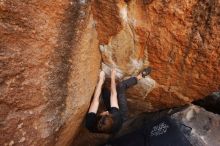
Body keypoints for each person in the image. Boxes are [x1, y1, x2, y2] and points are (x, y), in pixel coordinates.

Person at [85, 67, 152, 134]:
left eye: (105, 113)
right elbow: (113, 94)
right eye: (106, 113)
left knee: (104, 92)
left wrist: (101, 81)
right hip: (122, 115)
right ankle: (140, 76)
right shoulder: (116, 115)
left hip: (112, 122)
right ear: (109, 114)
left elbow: (95, 100)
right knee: (120, 86)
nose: (105, 112)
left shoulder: (89, 123)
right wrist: (113, 77)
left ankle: (104, 88)